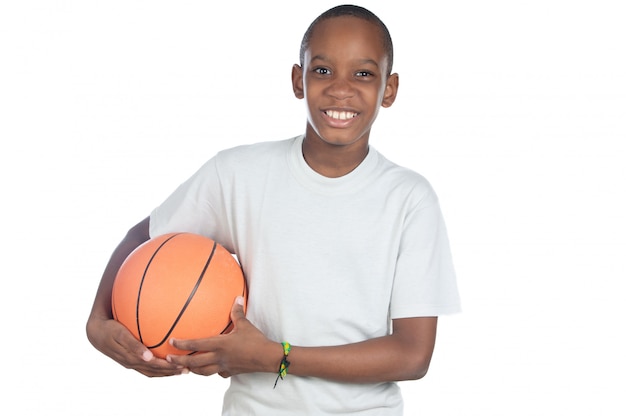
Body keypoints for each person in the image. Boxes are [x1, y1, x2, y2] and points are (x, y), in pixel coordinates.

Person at [86, 4, 461, 415]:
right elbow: (144, 237)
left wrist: (274, 357)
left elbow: (412, 355)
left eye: (364, 73)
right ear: (298, 80)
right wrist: (98, 321)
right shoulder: (237, 173)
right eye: (322, 70)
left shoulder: (409, 198)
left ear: (389, 89)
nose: (340, 88)